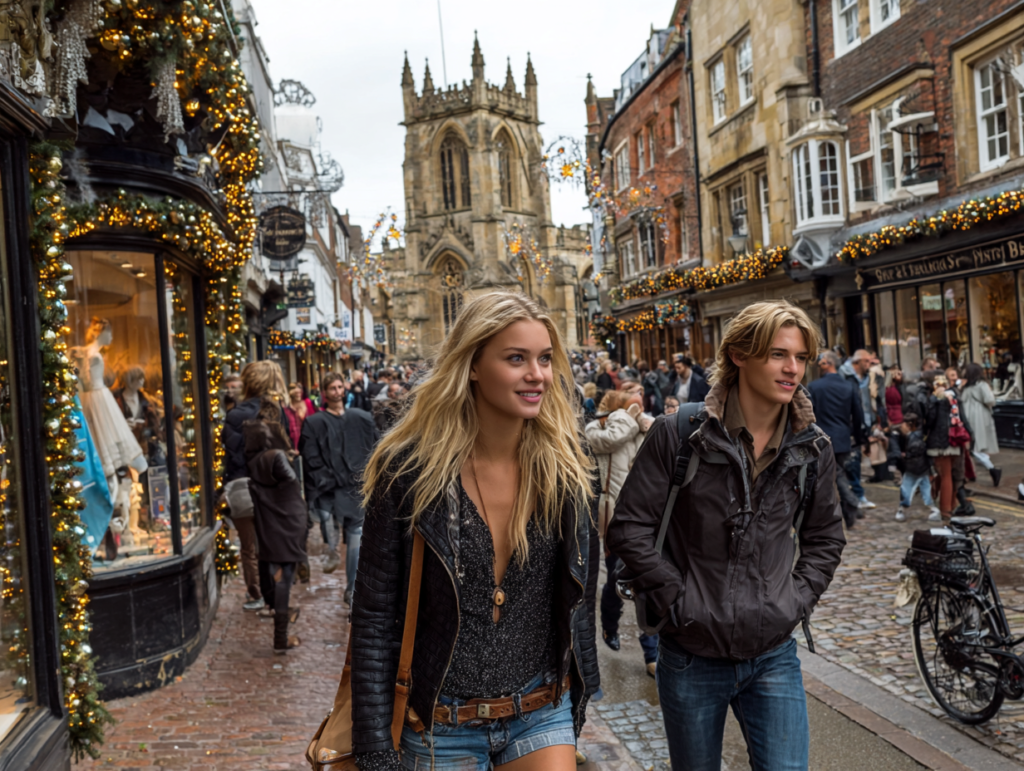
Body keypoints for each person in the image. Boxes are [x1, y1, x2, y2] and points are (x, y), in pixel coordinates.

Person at [350, 292, 599, 771]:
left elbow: (579, 597)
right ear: (473, 366)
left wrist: (577, 698)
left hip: (539, 711)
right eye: (515, 358)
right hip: (439, 724)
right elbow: (375, 617)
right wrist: (375, 746)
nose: (537, 374)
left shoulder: (567, 468)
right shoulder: (409, 471)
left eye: (545, 359)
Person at [607, 300, 844, 771]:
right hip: (691, 653)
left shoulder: (812, 445)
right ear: (739, 354)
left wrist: (792, 601)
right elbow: (629, 528)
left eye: (799, 357)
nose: (792, 368)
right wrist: (678, 599)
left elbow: (825, 538)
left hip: (773, 654)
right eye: (778, 354)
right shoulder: (680, 434)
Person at [585, 390, 656, 674]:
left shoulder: (641, 425)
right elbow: (610, 440)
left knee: (648, 580)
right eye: (630, 395)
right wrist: (630, 418)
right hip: (615, 516)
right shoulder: (597, 427)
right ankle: (609, 625)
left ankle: (652, 653)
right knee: (617, 578)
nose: (638, 398)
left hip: (645, 515)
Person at [300, 372, 379, 601]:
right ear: (324, 392)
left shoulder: (359, 418)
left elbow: (374, 446)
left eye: (339, 387)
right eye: (332, 388)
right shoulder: (315, 423)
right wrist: (326, 480)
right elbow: (310, 457)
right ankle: (331, 551)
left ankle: (352, 588)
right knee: (328, 525)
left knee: (356, 534)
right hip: (328, 489)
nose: (337, 392)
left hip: (354, 488)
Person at [221, 360, 288, 611]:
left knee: (248, 547)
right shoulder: (277, 411)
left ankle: (257, 594)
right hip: (271, 487)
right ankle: (276, 596)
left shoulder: (235, 414)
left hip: (241, 486)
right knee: (272, 544)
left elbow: (231, 454)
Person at [243, 398, 307, 653]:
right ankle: (281, 637)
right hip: (287, 520)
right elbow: (292, 484)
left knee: (277, 572)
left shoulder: (255, 461)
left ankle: (281, 628)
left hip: (269, 522)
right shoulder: (276, 457)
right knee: (285, 576)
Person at [807, 350, 865, 528]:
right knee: (835, 474)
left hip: (820, 438)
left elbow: (810, 416)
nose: (818, 365)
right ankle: (846, 511)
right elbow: (858, 416)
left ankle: (850, 503)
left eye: (820, 362)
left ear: (828, 363)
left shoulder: (814, 387)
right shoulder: (849, 386)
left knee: (831, 475)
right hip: (842, 438)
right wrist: (859, 438)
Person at [839, 349, 881, 510]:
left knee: (854, 461)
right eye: (867, 361)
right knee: (852, 462)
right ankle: (857, 496)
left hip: (863, 421)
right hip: (849, 425)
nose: (870, 365)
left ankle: (854, 496)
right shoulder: (845, 376)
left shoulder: (864, 378)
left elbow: (867, 401)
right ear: (858, 362)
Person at [926, 375, 963, 521]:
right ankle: (950, 504)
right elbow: (963, 417)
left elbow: (930, 421)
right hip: (955, 438)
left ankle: (945, 509)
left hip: (939, 441)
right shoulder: (955, 397)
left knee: (945, 474)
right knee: (949, 474)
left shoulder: (935, 399)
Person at [960, 363, 1002, 487]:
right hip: (976, 418)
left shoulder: (972, 386)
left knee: (973, 447)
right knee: (972, 447)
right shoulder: (976, 385)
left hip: (973, 418)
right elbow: (990, 400)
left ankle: (991, 469)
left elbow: (989, 400)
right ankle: (985, 470)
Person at [896, 412, 939, 522]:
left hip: (915, 467)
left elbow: (915, 451)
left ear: (909, 425)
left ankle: (901, 510)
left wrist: (906, 456)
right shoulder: (916, 435)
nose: (901, 426)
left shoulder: (914, 437)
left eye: (904, 424)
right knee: (925, 488)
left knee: (906, 488)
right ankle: (933, 509)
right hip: (922, 466)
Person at [283, 381, 317, 451]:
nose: (298, 393)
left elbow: (314, 423)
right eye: (295, 391)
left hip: (308, 445)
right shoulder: (286, 409)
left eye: (299, 390)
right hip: (292, 448)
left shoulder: (308, 404)